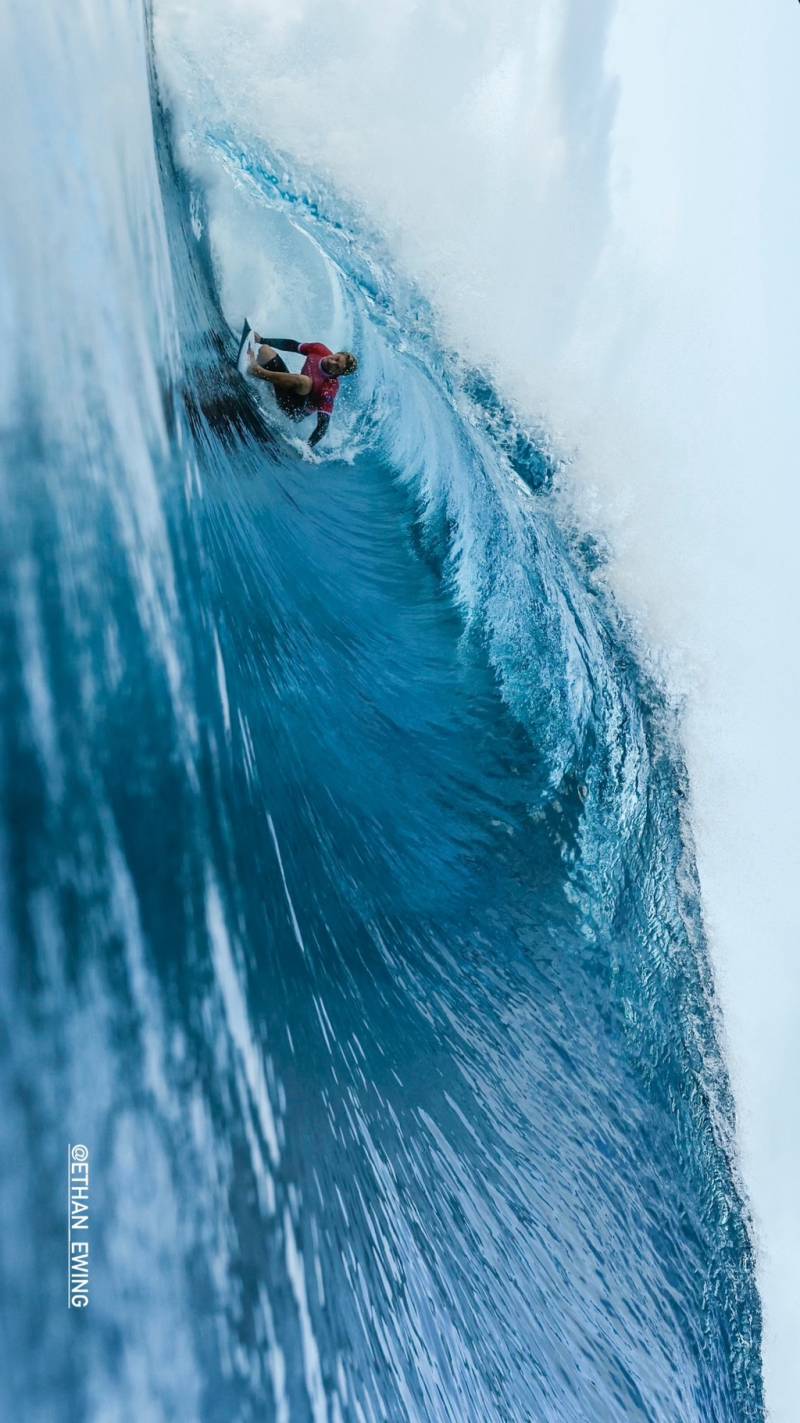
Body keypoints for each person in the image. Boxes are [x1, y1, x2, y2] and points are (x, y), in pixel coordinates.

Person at [247, 334, 357, 448]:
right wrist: (261, 339)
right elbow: (291, 345)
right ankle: (252, 373)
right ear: (337, 353)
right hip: (289, 389)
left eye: (337, 367)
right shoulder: (318, 349)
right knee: (265, 350)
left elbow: (323, 425)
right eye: (337, 359)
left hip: (293, 411)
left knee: (305, 382)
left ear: (338, 374)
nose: (332, 363)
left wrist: (307, 448)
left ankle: (256, 371)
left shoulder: (329, 388)